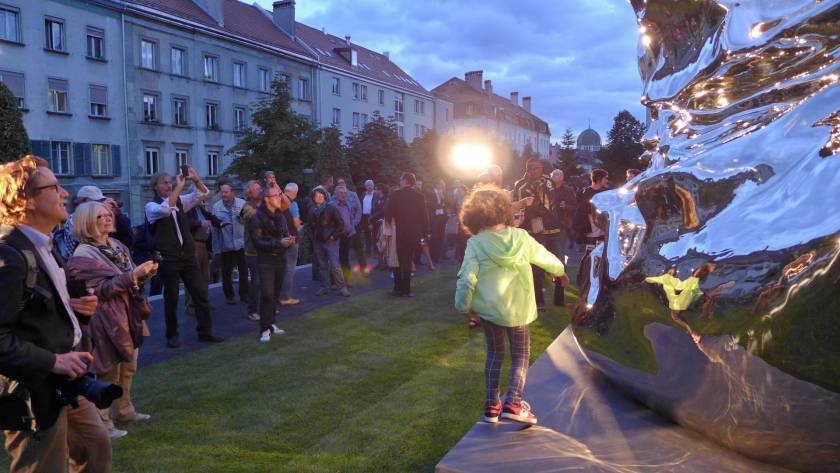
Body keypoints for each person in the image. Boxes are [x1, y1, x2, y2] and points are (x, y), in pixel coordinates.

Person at [0, 156, 111, 472]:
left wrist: (79, 311)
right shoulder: (8, 254)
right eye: (55, 187)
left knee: (96, 447)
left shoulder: (44, 244)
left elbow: (38, 311)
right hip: (33, 387)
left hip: (67, 378)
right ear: (27, 199)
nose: (65, 194)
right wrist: (53, 361)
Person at [454, 185, 567, 425]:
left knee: (494, 355)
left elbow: (466, 278)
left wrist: (464, 306)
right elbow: (545, 257)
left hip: (490, 310)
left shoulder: (476, 243)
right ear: (505, 210)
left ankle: (492, 406)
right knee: (521, 356)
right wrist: (560, 271)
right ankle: (514, 402)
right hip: (520, 309)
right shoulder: (521, 237)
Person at [66, 201, 158, 439]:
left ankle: (125, 410)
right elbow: (98, 291)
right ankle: (104, 422)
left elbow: (129, 279)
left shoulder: (117, 245)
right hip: (105, 319)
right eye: (100, 216)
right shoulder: (82, 256)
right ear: (86, 222)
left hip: (129, 313)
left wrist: (144, 274)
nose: (108, 218)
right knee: (108, 370)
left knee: (129, 367)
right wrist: (132, 276)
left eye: (109, 214)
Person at [145, 167, 223, 348]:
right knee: (171, 298)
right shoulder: (151, 207)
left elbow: (203, 193)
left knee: (200, 294)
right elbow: (166, 209)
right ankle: (172, 335)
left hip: (187, 256)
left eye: (169, 181)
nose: (169, 185)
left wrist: (195, 179)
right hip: (169, 258)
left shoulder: (179, 201)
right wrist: (179, 188)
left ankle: (205, 332)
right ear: (155, 186)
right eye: (164, 182)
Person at [247, 186, 294, 343]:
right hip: (266, 261)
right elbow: (258, 242)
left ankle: (271, 323)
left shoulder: (280, 216)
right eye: (276, 195)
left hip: (280, 259)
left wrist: (288, 240)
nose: (279, 198)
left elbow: (285, 233)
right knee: (267, 295)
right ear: (266, 199)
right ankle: (264, 328)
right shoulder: (256, 217)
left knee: (275, 294)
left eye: (279, 195)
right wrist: (279, 242)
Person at [513, 159, 554, 311]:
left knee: (537, 265)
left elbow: (550, 204)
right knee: (521, 264)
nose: (539, 171)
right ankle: (522, 299)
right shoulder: (520, 184)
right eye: (535, 168)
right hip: (522, 229)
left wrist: (539, 209)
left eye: (540, 168)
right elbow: (516, 204)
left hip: (539, 229)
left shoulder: (547, 182)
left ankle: (539, 301)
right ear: (529, 170)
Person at [384, 172, 428, 297]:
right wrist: (424, 234)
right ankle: (406, 290)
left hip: (397, 233)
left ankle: (397, 288)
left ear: (405, 181)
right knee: (408, 262)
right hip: (413, 234)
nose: (399, 182)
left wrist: (390, 224)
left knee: (396, 261)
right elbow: (424, 217)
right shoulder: (419, 196)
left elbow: (388, 214)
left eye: (401, 179)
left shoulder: (395, 195)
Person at [308, 188, 350, 297]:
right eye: (317, 195)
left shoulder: (330, 208)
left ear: (325, 197)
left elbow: (340, 223)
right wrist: (312, 238)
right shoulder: (311, 210)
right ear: (313, 198)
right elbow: (310, 226)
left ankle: (342, 288)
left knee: (335, 265)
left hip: (331, 241)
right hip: (318, 241)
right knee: (322, 266)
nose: (319, 197)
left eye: (321, 195)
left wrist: (334, 236)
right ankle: (325, 287)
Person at [183, 200, 222, 315]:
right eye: (201, 197)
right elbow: (185, 223)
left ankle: (203, 303)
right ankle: (190, 306)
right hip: (193, 245)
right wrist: (199, 223)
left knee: (205, 276)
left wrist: (220, 223)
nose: (203, 200)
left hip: (203, 245)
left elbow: (211, 217)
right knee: (193, 276)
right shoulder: (186, 209)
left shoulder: (201, 209)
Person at [212, 183, 248, 305]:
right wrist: (216, 248)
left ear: (232, 192)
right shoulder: (216, 207)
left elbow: (248, 222)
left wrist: (240, 217)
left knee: (243, 271)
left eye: (226, 192)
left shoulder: (242, 204)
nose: (223, 194)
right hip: (226, 244)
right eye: (222, 192)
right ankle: (229, 296)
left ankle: (244, 295)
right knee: (226, 272)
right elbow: (214, 230)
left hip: (241, 244)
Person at [546, 169, 577, 306]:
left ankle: (559, 299)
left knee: (559, 260)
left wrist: (566, 206)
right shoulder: (545, 188)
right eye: (553, 174)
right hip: (544, 227)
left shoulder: (567, 190)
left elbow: (575, 206)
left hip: (560, 227)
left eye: (558, 174)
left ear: (563, 177)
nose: (555, 176)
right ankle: (537, 299)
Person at [240, 181, 263, 321]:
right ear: (249, 192)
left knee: (266, 281)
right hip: (252, 251)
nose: (261, 190)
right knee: (256, 282)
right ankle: (252, 310)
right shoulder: (247, 206)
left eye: (260, 188)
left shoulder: (263, 204)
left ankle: (265, 307)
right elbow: (254, 217)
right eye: (257, 189)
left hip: (264, 249)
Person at [335, 177, 366, 272]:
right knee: (343, 251)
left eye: (342, 182)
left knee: (359, 247)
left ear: (345, 183)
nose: (341, 184)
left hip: (355, 225)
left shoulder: (353, 194)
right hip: (342, 229)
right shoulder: (334, 197)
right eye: (339, 183)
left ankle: (363, 268)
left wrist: (355, 222)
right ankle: (344, 271)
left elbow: (359, 209)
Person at [278, 182, 301, 306]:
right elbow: (296, 224)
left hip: (279, 240)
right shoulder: (293, 204)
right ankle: (286, 297)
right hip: (291, 239)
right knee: (289, 269)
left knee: (280, 268)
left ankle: (278, 295)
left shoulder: (276, 201)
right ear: (295, 193)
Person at [427, 178, 449, 264]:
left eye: (444, 184)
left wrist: (443, 197)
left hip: (442, 218)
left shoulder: (443, 193)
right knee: (434, 238)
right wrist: (438, 205)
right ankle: (433, 256)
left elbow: (448, 203)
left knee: (441, 237)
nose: (443, 185)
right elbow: (429, 204)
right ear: (437, 184)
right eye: (442, 184)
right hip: (434, 218)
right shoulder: (430, 192)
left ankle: (438, 256)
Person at [360, 179, 376, 256]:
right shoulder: (363, 194)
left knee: (374, 234)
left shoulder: (376, 194)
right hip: (364, 217)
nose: (369, 186)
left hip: (373, 216)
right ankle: (368, 251)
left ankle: (375, 251)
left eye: (371, 185)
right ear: (365, 187)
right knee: (366, 234)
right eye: (367, 185)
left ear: (373, 186)